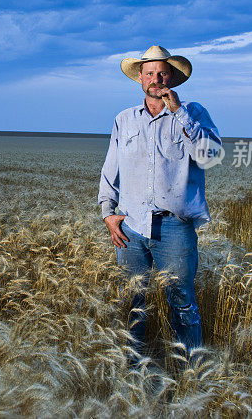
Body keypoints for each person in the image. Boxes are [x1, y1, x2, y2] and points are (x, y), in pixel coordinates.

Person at [98, 45, 220, 367]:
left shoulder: (193, 113)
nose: (156, 78)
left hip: (175, 228)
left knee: (182, 302)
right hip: (131, 229)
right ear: (140, 77)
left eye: (162, 72)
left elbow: (210, 157)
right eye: (149, 72)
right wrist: (108, 215)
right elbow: (110, 170)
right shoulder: (124, 119)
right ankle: (132, 369)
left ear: (173, 77)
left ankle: (191, 371)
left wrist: (179, 113)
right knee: (133, 302)